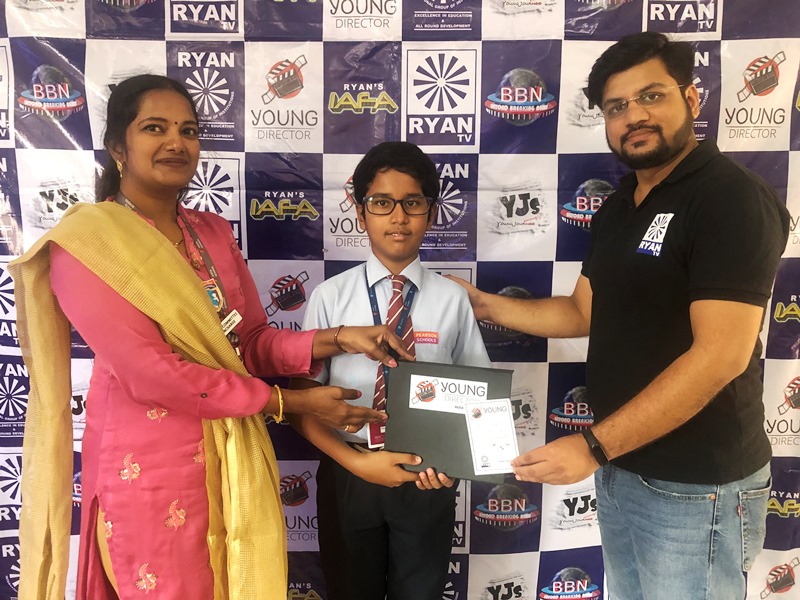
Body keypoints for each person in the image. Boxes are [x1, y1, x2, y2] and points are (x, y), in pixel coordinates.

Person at [10, 75, 415, 600]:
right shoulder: (88, 244)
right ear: (117, 147)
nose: (176, 142)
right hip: (148, 467)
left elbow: (249, 343)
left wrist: (339, 339)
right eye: (154, 128)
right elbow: (150, 374)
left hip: (231, 454)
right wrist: (290, 402)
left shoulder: (212, 233)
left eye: (188, 130)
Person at [450, 33, 790, 600]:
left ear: (691, 98)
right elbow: (581, 311)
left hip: (696, 485)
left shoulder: (729, 197)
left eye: (651, 96)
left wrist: (592, 447)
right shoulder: (619, 205)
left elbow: (721, 356)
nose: (634, 116)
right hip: (622, 466)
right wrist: (482, 305)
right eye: (616, 107)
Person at [289, 141, 491, 600]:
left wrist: (453, 465)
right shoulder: (329, 297)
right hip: (348, 470)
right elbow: (302, 406)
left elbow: (479, 400)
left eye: (412, 203)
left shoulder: (453, 299)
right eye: (382, 203)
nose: (398, 217)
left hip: (426, 475)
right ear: (361, 214)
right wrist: (357, 464)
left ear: (431, 214)